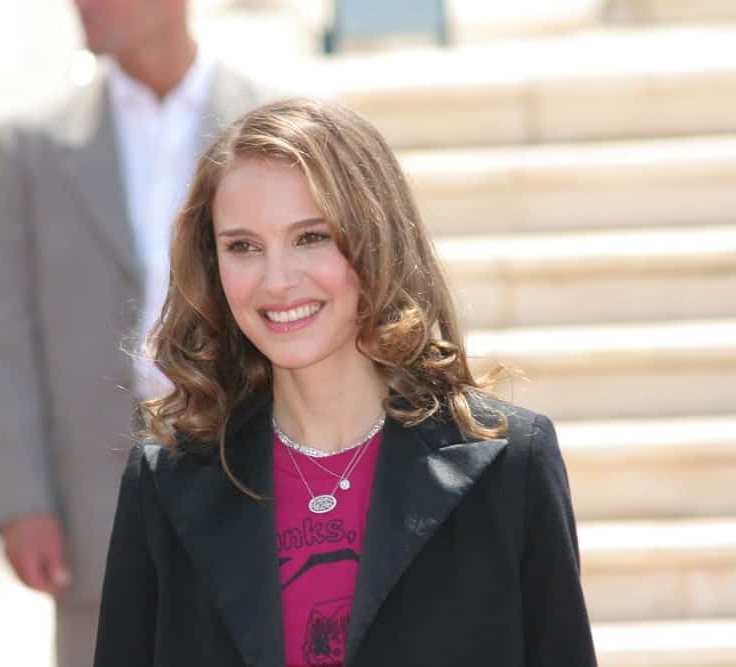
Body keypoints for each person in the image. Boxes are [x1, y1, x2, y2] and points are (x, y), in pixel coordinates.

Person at [93, 98, 598, 667]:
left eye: (311, 237)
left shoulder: (509, 466)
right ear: (212, 264)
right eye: (243, 247)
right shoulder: (166, 481)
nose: (277, 280)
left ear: (373, 238)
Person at [0, 1, 277, 664]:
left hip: (246, 460)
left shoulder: (275, 124)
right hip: (94, 491)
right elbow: (6, 334)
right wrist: (22, 500)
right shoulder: (31, 147)